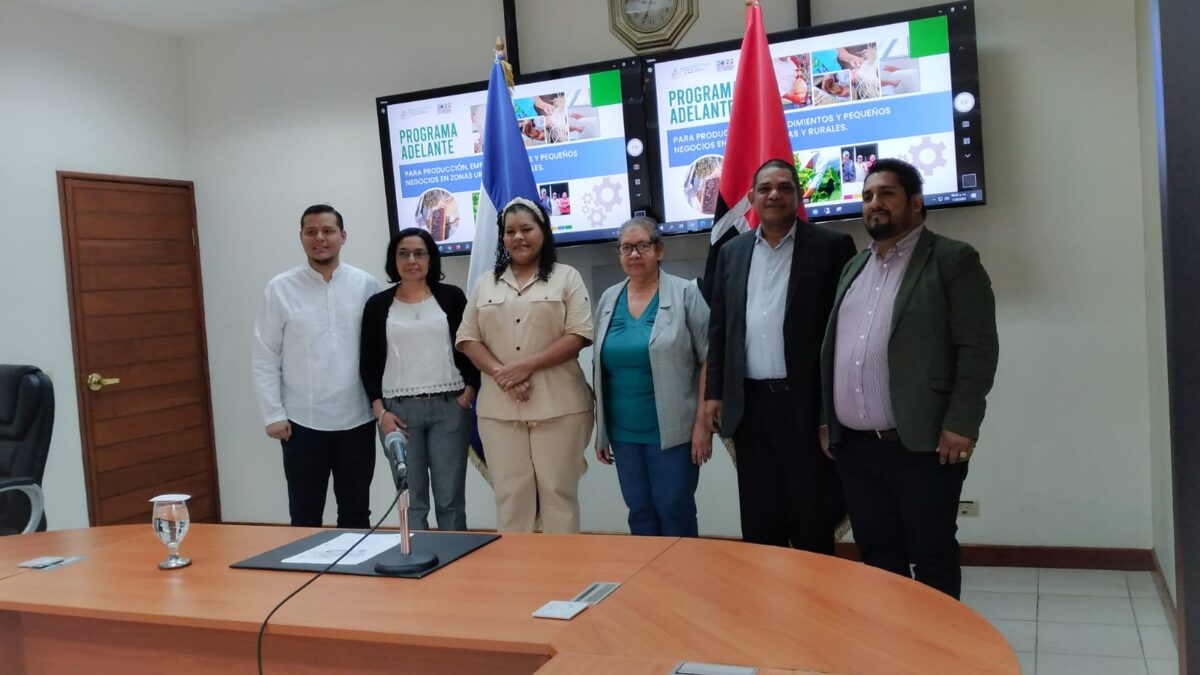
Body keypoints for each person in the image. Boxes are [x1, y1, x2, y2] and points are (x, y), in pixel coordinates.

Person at [819, 158, 999, 598]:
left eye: (886, 194)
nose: (874, 203)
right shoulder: (853, 267)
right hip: (857, 449)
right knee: (878, 555)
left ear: (916, 203)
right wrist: (828, 419)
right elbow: (836, 350)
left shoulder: (952, 259)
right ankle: (892, 637)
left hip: (922, 443)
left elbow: (977, 349)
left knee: (932, 553)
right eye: (867, 196)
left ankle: (941, 641)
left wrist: (962, 423)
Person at [703, 160, 857, 552]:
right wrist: (714, 393)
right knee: (760, 517)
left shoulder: (832, 247)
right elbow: (720, 328)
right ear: (751, 197)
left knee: (811, 516)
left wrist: (829, 412)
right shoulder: (731, 252)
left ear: (798, 195)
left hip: (806, 404)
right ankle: (764, 589)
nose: (774, 194)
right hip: (750, 407)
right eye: (765, 188)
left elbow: (845, 332)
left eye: (784, 187)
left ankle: (814, 588)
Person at [455, 198, 594, 533]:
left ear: (543, 232)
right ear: (502, 237)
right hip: (499, 410)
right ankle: (517, 567)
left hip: (559, 407)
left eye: (526, 229)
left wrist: (524, 367)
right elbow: (467, 338)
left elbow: (578, 335)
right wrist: (503, 374)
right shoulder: (486, 283)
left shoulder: (567, 277)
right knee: (511, 498)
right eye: (510, 231)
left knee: (558, 495)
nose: (518, 237)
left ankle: (564, 564)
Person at [252, 204, 381, 528]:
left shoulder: (367, 285)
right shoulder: (279, 289)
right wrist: (273, 414)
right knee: (305, 514)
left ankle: (354, 563)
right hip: (301, 423)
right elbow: (265, 355)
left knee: (356, 512)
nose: (319, 238)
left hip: (357, 419)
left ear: (343, 236)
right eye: (311, 232)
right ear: (301, 237)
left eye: (328, 231)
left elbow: (381, 351)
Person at [593, 217, 711, 537]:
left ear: (659, 250)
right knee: (639, 513)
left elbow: (709, 359)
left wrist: (703, 424)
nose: (634, 254)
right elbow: (599, 367)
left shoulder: (685, 293)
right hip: (623, 433)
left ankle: (683, 571)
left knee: (675, 511)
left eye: (642, 246)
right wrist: (601, 432)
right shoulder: (608, 299)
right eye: (626, 248)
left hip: (673, 433)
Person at [359, 228, 479, 530]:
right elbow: (368, 362)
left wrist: (469, 390)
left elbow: (470, 344)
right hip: (398, 414)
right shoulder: (377, 305)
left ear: (431, 258)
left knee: (450, 500)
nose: (411, 260)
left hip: (449, 409)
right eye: (403, 253)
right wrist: (380, 413)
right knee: (411, 500)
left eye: (419, 253)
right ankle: (417, 555)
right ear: (394, 260)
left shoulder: (451, 297)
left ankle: (454, 557)